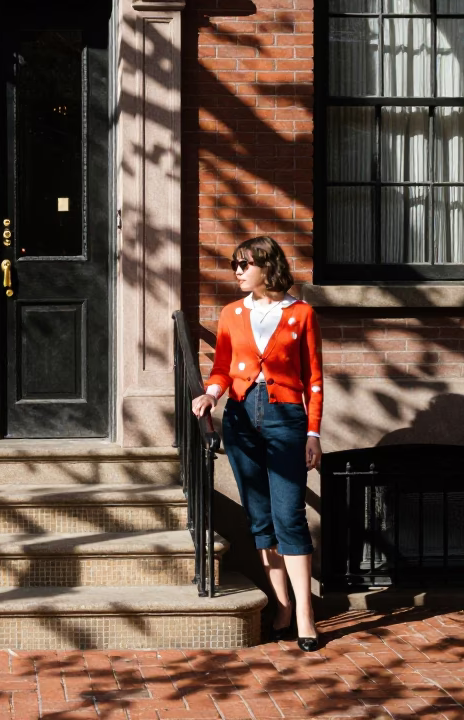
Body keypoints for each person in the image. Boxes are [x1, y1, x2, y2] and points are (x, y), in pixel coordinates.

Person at [191, 235, 324, 652]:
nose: (237, 271)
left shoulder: (301, 314)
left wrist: (313, 433)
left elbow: (315, 381)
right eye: (235, 264)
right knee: (261, 518)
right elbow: (221, 370)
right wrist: (211, 395)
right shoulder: (231, 313)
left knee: (290, 516)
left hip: (286, 419)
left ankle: (305, 612)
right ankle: (282, 606)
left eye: (244, 264)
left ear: (268, 267)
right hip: (241, 418)